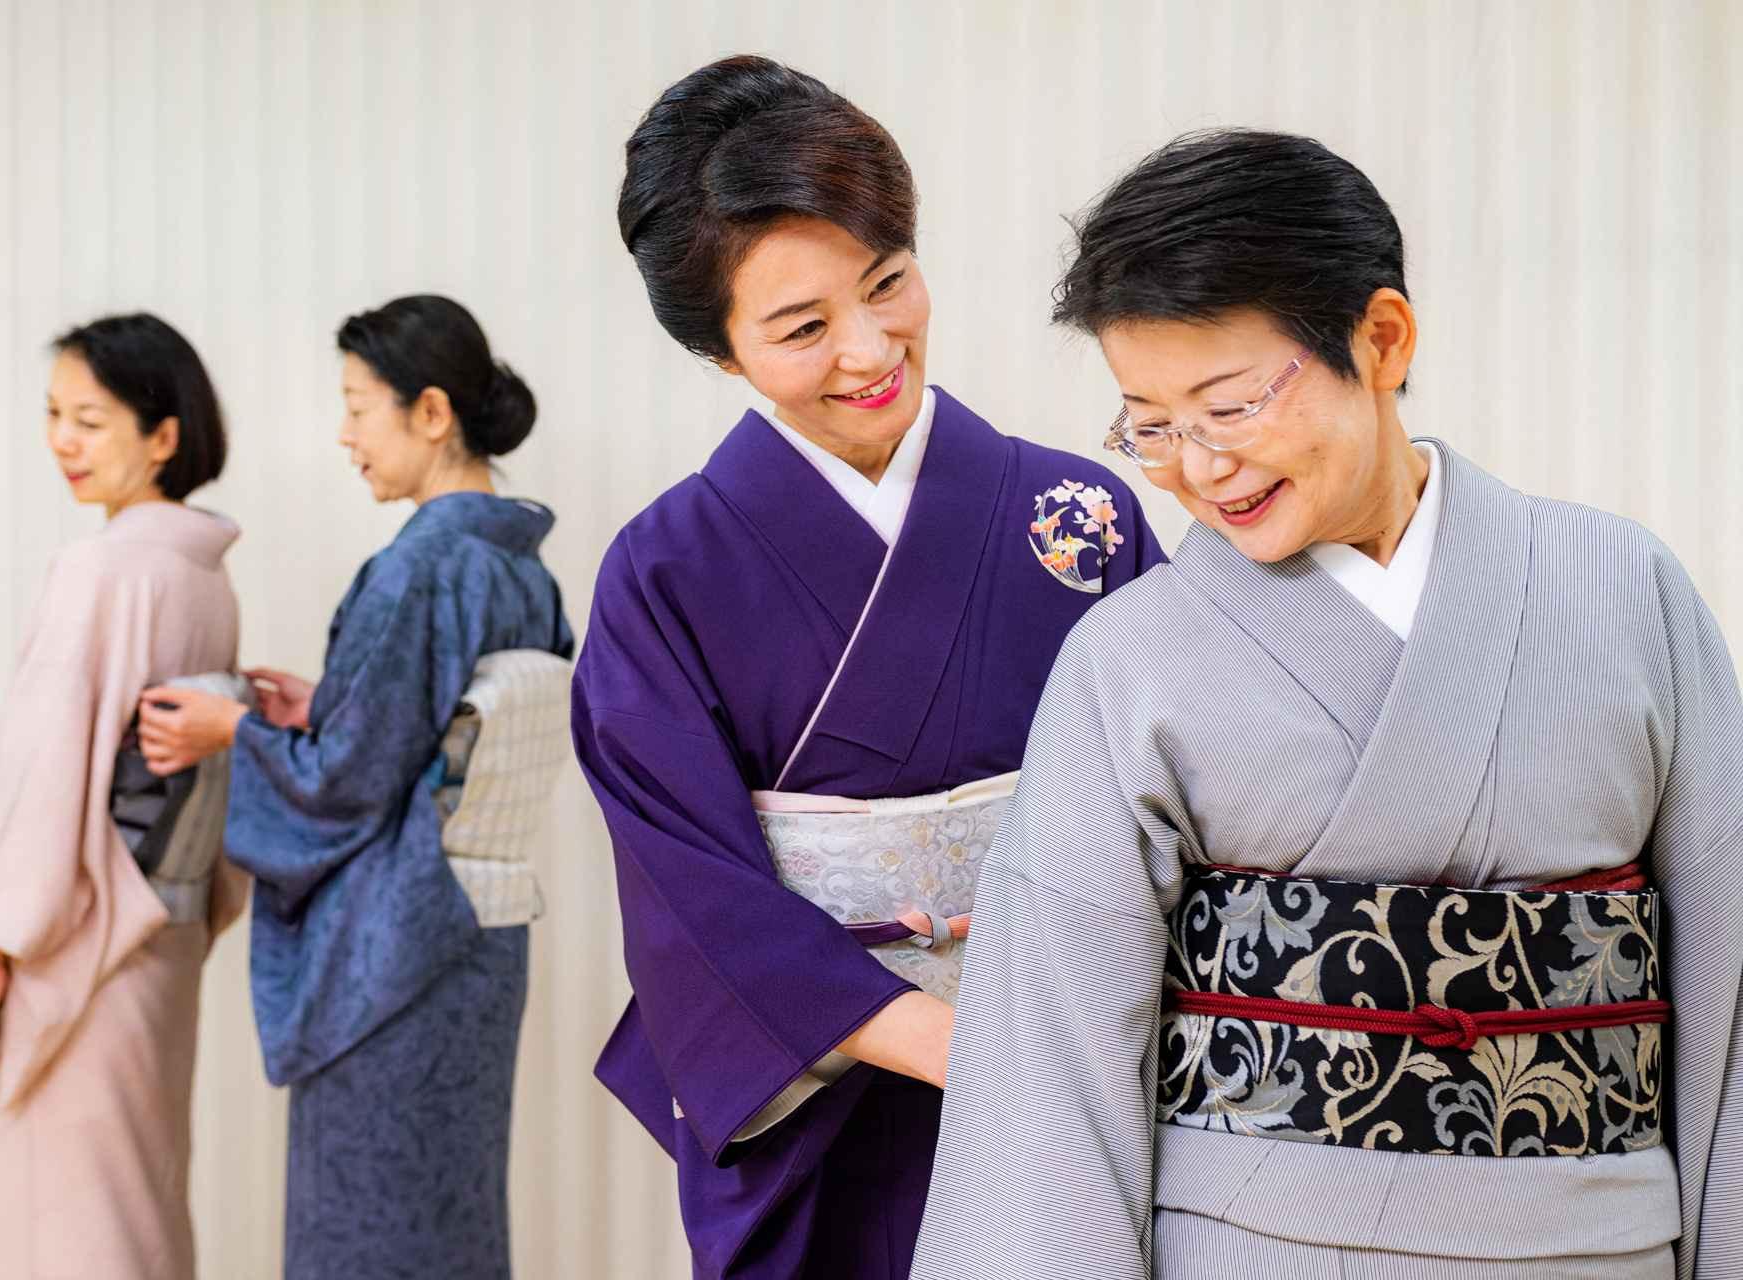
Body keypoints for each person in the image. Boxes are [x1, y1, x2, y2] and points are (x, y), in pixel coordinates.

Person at [914, 129, 1741, 1278]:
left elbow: (1731, 977)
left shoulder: (1626, 591)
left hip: (1595, 1242)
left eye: (1230, 403)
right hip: (1255, 1247)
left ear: (1383, 338)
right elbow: (1049, 1056)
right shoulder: (1131, 656)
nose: (1198, 466)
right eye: (1150, 423)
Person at [572, 55, 1165, 1279]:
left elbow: (1182, 795)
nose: (869, 345)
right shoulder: (664, 571)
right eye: (801, 328)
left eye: (887, 282)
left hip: (1075, 1069)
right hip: (833, 1112)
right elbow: (693, 894)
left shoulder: (1079, 511)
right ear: (723, 353)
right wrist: (950, 1040)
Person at [135, 295, 574, 1279]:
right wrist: (317, 706)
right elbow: (406, 736)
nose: (345, 435)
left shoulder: (421, 567)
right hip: (477, 941)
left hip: (396, 950)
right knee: (451, 1211)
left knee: (367, 1227)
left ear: (430, 412)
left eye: (357, 406)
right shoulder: (517, 565)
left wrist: (231, 728)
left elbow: (340, 788)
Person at [0, 313, 242, 1279]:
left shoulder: (101, 568)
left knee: (68, 1213)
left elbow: (47, 771)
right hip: (164, 924)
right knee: (140, 1187)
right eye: (54, 416)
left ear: (163, 437)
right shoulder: (204, 577)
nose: (62, 443)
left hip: (82, 929)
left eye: (89, 420)